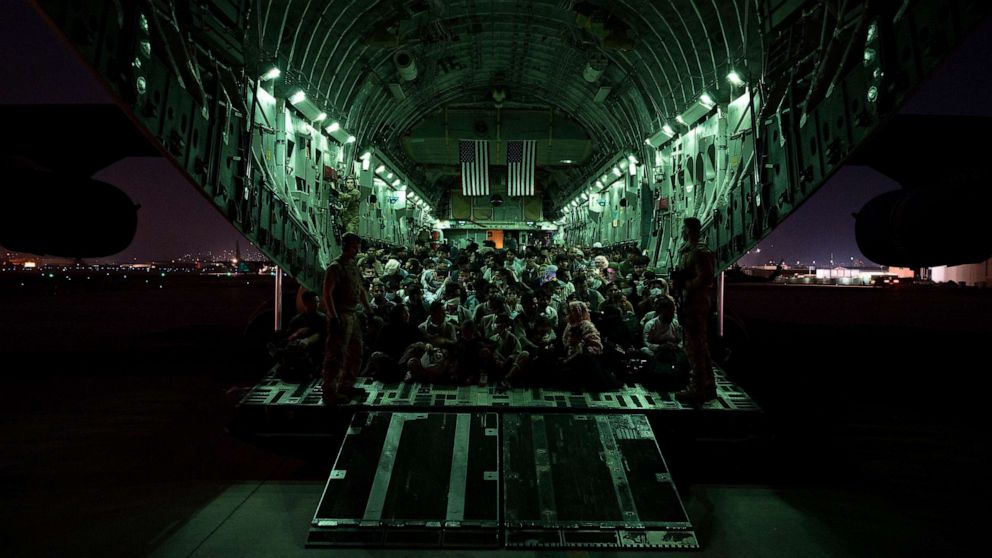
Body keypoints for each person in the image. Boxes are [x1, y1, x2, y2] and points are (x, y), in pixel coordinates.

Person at [321, 232, 373, 404]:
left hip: (353, 314)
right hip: (341, 315)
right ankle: (330, 391)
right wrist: (334, 317)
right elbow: (327, 294)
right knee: (336, 354)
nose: (357, 249)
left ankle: (346, 384)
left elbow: (361, 289)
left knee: (355, 351)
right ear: (347, 246)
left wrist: (368, 310)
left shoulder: (352, 265)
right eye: (354, 246)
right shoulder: (335, 267)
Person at [673, 217, 716, 406]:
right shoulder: (688, 250)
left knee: (694, 347)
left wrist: (687, 285)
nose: (682, 231)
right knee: (699, 345)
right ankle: (707, 385)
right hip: (689, 301)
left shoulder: (699, 251)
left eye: (683, 228)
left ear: (689, 230)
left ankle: (697, 388)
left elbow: (705, 277)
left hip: (696, 304)